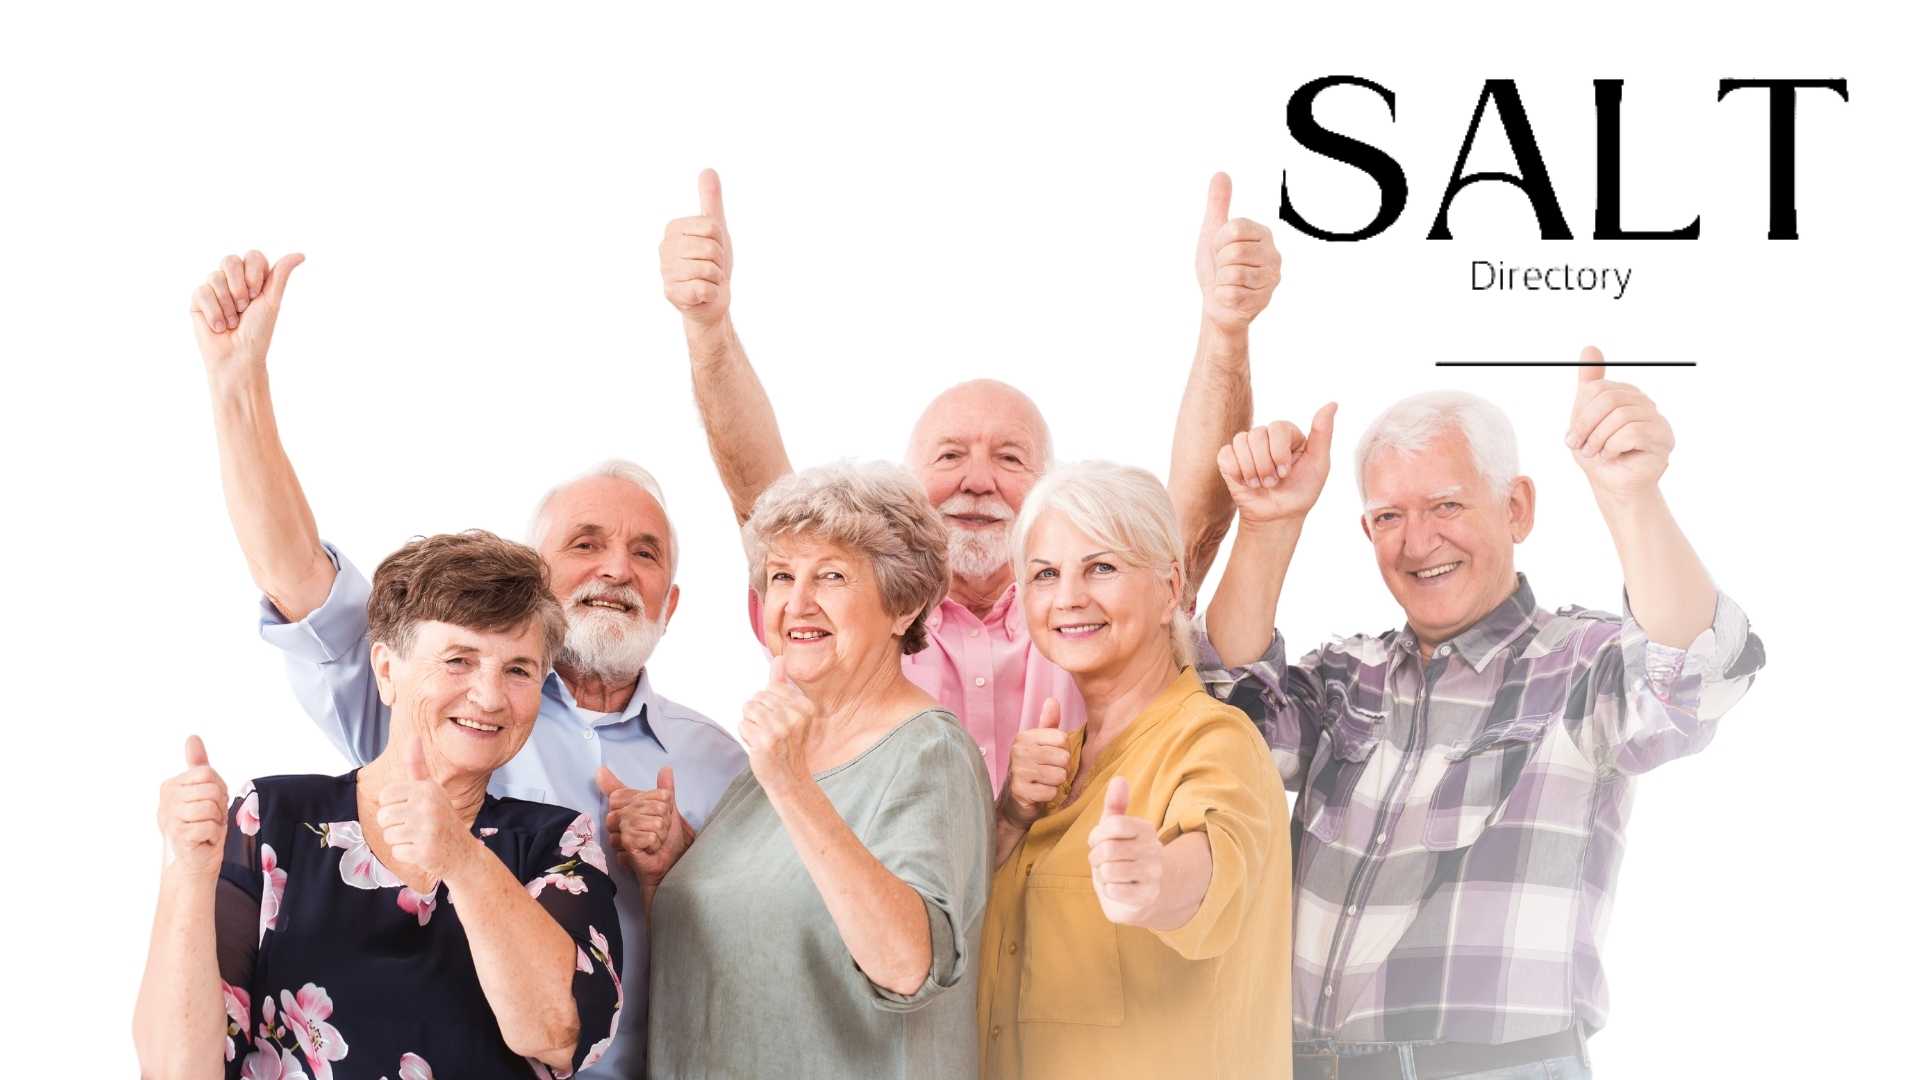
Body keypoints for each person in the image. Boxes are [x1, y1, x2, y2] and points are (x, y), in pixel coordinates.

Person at [186, 251, 744, 1079]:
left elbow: (753, 951)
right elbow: (294, 570)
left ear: (673, 601)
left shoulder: (720, 761)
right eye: (584, 544)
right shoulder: (430, 701)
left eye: (645, 553)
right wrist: (238, 385)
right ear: (535, 581)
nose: (616, 569)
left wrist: (683, 864)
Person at [1201, 354, 1767, 1080]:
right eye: (1388, 517)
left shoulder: (1580, 665)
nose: (1417, 540)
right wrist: (1267, 525)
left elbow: (1696, 672)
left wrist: (1630, 497)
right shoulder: (1347, 674)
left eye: (1446, 505)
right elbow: (1220, 724)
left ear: (1517, 508)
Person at [659, 169, 1281, 787]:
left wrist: (1225, 330)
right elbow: (764, 502)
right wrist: (707, 331)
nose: (978, 481)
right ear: (905, 485)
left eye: (1010, 459)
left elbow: (1194, 522)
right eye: (949, 456)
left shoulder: (1097, 599)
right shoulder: (855, 604)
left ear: (1049, 490)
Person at [133, 531, 623, 1079]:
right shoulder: (272, 820)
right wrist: (187, 875)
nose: (489, 696)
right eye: (459, 659)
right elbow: (177, 1070)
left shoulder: (558, 845)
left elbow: (560, 1037)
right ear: (386, 670)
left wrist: (460, 859)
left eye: (518, 669)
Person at [645, 462, 995, 1079]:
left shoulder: (928, 753)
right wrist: (677, 860)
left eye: (831, 575)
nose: (797, 603)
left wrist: (789, 784)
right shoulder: (777, 755)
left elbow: (907, 963)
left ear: (904, 604)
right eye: (782, 575)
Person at [976, 461, 1291, 1078]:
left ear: (1170, 586)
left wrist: (1153, 878)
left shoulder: (1213, 739)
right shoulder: (1053, 765)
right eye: (1045, 574)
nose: (1068, 596)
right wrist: (1010, 815)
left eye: (1102, 567)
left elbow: (1209, 873)